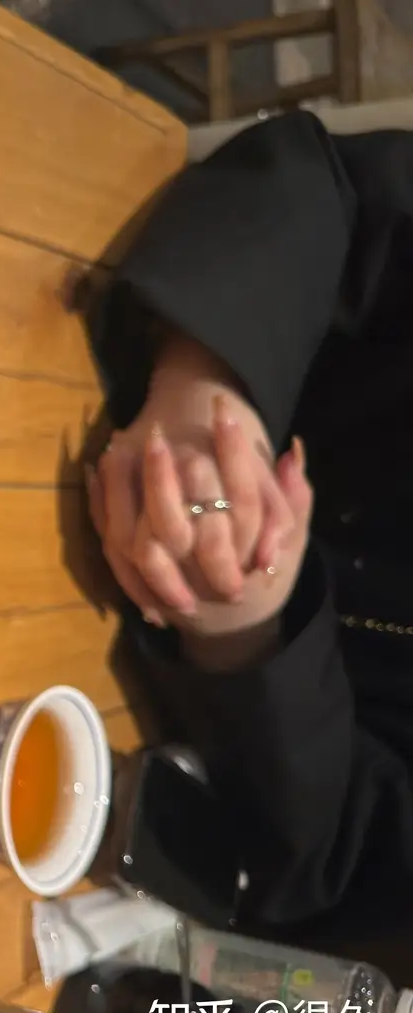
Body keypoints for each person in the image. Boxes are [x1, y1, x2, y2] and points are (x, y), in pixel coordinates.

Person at [84, 110, 413, 968]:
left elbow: (331, 873)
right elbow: (330, 188)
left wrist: (243, 632)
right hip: (91, 363)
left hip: (117, 746)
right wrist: (212, 383)